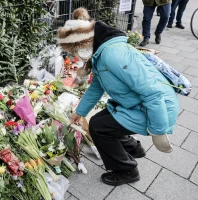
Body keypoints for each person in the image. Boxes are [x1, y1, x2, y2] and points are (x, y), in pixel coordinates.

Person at [57, 8, 179, 186]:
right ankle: (133, 148)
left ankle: (126, 170)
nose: (74, 57)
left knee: (99, 127)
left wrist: (159, 131)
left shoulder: (113, 55)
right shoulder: (101, 53)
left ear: (82, 43)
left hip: (158, 109)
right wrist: (80, 112)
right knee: (102, 118)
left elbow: (152, 92)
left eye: (73, 51)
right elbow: (96, 88)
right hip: (139, 106)